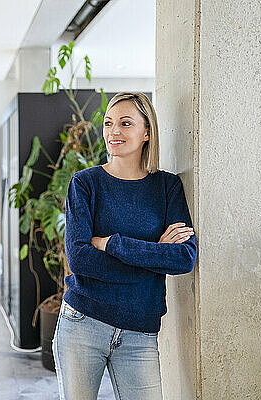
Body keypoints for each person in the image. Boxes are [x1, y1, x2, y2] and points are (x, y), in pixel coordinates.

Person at [52, 91, 198, 400]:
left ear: (147, 132)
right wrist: (154, 254)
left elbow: (184, 258)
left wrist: (111, 244)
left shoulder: (167, 186)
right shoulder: (85, 183)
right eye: (108, 123)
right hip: (83, 322)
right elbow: (80, 260)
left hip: (140, 332)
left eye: (125, 123)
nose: (113, 132)